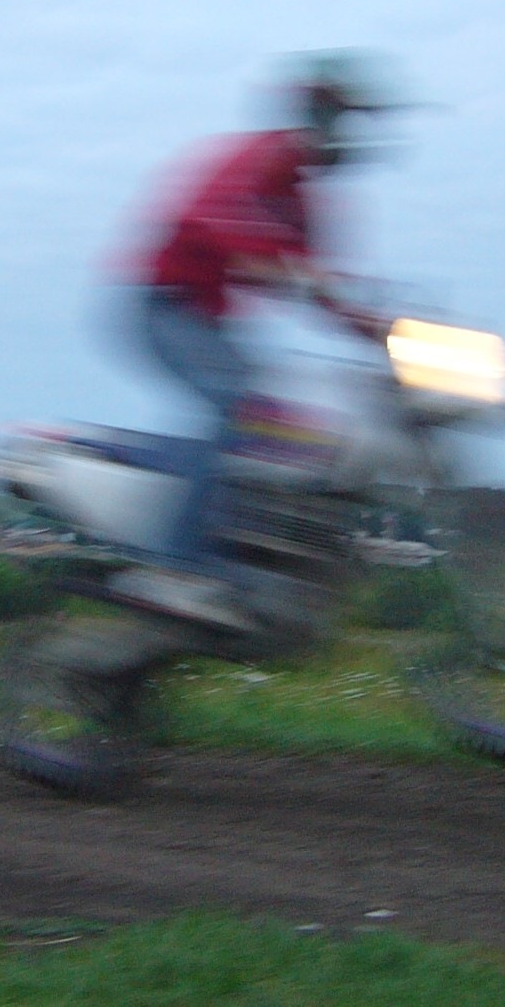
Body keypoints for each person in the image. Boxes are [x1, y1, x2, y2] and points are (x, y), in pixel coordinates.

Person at [107, 50, 402, 618]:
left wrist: (379, 330)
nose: (349, 133)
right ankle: (177, 566)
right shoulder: (254, 161)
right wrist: (285, 271)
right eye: (342, 118)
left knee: (295, 414)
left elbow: (319, 286)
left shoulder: (300, 200)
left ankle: (263, 557)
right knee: (238, 404)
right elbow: (214, 224)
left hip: (206, 318)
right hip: (164, 305)